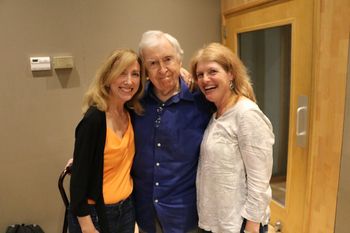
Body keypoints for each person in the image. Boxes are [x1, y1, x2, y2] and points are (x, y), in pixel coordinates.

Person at [131, 30, 213, 233]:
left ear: (179, 60)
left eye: (168, 59)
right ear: (144, 69)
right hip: (145, 213)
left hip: (186, 215)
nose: (162, 69)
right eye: (153, 63)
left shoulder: (202, 100)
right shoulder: (134, 102)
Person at [190, 43, 274, 233]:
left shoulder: (246, 114)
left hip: (240, 224)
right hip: (215, 220)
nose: (205, 79)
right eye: (200, 74)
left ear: (231, 74)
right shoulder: (217, 112)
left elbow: (259, 180)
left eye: (212, 71)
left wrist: (252, 225)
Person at [68, 49, 145, 233]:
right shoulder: (93, 120)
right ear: (108, 78)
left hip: (126, 209)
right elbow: (77, 185)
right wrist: (87, 226)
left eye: (135, 74)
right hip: (95, 214)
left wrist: (183, 73)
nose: (129, 81)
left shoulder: (131, 113)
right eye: (122, 73)